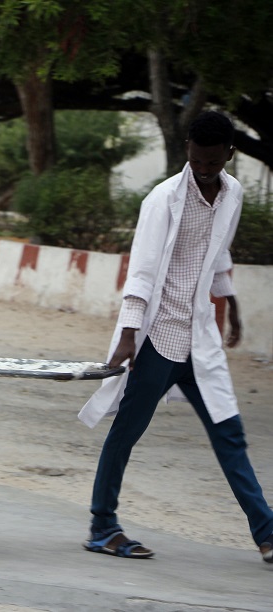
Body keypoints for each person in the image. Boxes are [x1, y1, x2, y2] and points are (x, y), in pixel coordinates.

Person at [79, 110, 273, 563]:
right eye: (198, 160)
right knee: (126, 432)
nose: (205, 169)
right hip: (158, 339)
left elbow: (219, 254)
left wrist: (233, 306)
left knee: (230, 433)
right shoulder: (163, 199)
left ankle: (266, 534)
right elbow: (142, 270)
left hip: (200, 337)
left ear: (229, 154)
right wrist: (128, 336)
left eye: (214, 162)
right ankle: (102, 526)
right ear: (188, 149)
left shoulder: (233, 194)